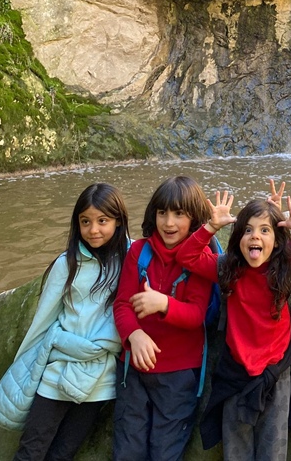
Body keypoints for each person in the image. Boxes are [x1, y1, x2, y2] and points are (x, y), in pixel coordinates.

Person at [175, 189, 291, 461]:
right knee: (236, 452)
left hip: (275, 377)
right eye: (248, 230)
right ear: (238, 238)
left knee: (273, 453)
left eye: (265, 230)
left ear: (276, 242)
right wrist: (211, 227)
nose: (255, 236)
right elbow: (187, 257)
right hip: (236, 376)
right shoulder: (229, 269)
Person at [0, 183, 129, 461]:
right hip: (58, 370)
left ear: (118, 221)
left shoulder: (132, 258)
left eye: (103, 221)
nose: (93, 229)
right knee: (31, 449)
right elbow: (43, 321)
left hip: (99, 379)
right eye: (85, 221)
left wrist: (210, 230)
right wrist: (25, 370)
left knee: (64, 453)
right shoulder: (67, 264)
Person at [112, 176, 212, 461]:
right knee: (127, 450)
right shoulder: (139, 251)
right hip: (133, 370)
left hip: (178, 375)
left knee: (165, 451)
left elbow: (196, 315)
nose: (169, 223)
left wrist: (164, 304)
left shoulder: (201, 259)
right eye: (162, 213)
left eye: (179, 214)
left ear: (194, 218)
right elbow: (122, 304)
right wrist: (133, 334)